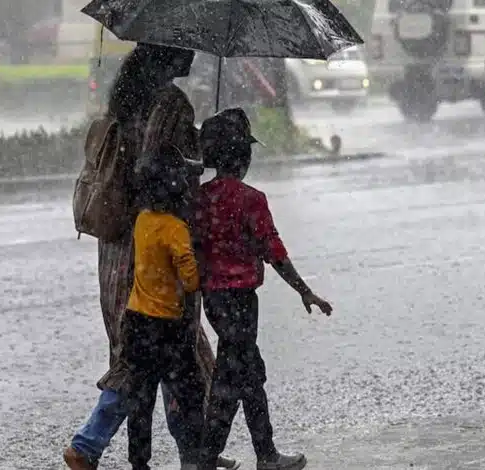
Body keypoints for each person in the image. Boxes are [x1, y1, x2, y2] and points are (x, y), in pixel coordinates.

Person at [77, 43, 238, 470]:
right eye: (185, 48)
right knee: (153, 352)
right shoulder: (170, 103)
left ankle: (197, 447)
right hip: (154, 245)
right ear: (167, 55)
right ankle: (87, 446)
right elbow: (161, 169)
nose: (194, 55)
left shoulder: (125, 99)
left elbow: (141, 164)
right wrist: (203, 153)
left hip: (118, 246)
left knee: (167, 348)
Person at [194, 109, 334, 470]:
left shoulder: (199, 198)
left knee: (243, 372)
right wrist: (304, 290)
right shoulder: (250, 199)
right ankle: (242, 457)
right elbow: (274, 251)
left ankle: (246, 454)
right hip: (241, 301)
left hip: (212, 300)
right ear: (243, 156)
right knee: (238, 375)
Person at [64, 144, 206, 470]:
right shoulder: (176, 229)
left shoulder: (143, 220)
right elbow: (191, 280)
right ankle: (195, 458)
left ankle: (127, 458)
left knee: (137, 396)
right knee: (187, 391)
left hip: (137, 322)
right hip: (168, 326)